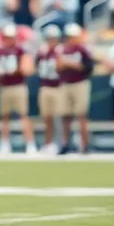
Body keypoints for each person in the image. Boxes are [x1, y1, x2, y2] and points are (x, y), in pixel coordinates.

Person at [0, 24, 35, 154]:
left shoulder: (20, 51)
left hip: (18, 86)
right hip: (5, 87)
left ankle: (30, 144)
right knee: (4, 117)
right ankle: (4, 144)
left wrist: (14, 70)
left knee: (23, 115)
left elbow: (26, 70)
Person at [56, 22, 93, 153]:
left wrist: (70, 64)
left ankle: (85, 144)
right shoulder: (61, 49)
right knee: (65, 115)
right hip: (66, 84)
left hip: (80, 84)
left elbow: (87, 67)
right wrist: (72, 65)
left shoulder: (83, 49)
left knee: (81, 115)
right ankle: (65, 143)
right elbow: (58, 66)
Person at [35, 26, 63, 155]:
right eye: (49, 39)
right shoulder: (42, 52)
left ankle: (60, 143)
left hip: (58, 87)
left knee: (58, 117)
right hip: (45, 86)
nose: (51, 41)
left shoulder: (61, 51)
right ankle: (48, 143)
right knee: (47, 118)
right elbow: (37, 67)